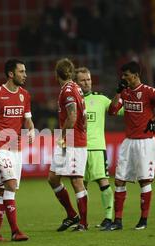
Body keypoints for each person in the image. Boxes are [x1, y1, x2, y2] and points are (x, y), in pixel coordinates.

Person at [108, 61, 155, 230]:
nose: (123, 78)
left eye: (126, 75)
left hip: (145, 143)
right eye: (122, 75)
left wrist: (153, 120)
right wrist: (117, 93)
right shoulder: (124, 93)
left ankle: (143, 220)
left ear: (136, 75)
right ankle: (117, 221)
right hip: (128, 142)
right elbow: (112, 111)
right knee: (119, 181)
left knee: (144, 181)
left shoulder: (149, 92)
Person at [0, 58, 35, 242]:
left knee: (1, 191)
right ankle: (16, 231)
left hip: (16, 148)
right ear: (11, 74)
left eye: (25, 71)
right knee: (11, 185)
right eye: (21, 71)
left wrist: (32, 128)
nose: (25, 75)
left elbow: (27, 118)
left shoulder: (25, 95)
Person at [75, 67, 123, 231]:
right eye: (82, 80)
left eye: (88, 79)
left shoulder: (101, 99)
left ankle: (108, 218)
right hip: (77, 149)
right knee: (80, 186)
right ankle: (83, 221)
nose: (86, 82)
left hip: (96, 148)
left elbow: (118, 110)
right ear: (76, 82)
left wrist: (121, 95)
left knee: (103, 183)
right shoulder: (71, 101)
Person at [49, 58, 89, 232]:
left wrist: (63, 136)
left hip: (72, 140)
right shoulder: (76, 88)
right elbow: (84, 117)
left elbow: (72, 117)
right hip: (70, 140)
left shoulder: (68, 91)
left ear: (56, 74)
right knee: (53, 178)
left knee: (76, 181)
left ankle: (84, 223)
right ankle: (72, 215)